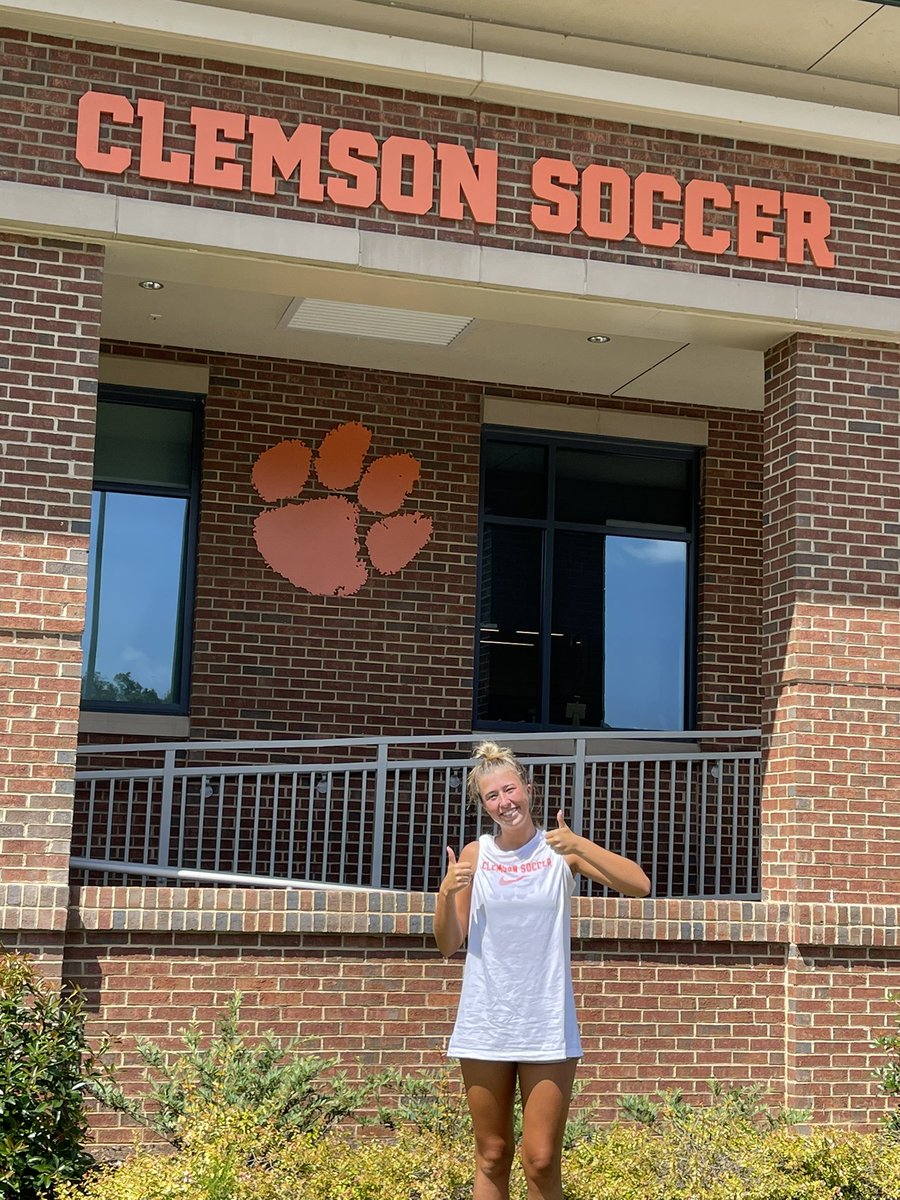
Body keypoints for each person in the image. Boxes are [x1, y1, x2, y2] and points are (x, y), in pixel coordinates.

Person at [433, 740, 650, 1200]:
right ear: (483, 804)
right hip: (486, 1022)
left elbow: (639, 885)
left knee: (541, 1160)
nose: (504, 802)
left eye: (509, 790)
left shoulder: (559, 851)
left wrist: (579, 844)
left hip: (546, 1023)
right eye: (492, 796)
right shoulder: (476, 855)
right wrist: (445, 894)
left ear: (528, 790)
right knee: (492, 1155)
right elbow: (449, 944)